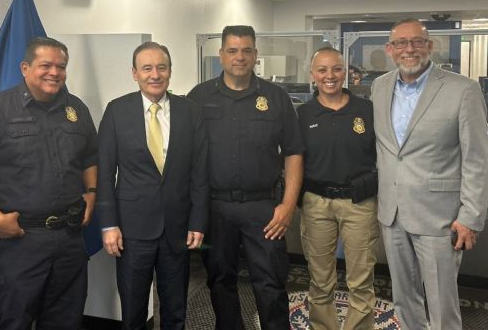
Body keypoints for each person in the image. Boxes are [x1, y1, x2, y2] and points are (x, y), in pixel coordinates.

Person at [0, 37, 98, 329]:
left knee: (66, 319)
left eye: (61, 66)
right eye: (45, 65)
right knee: (15, 320)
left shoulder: (76, 109)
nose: (54, 72)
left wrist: (92, 193)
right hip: (19, 240)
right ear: (25, 68)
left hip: (69, 237)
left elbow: (90, 158)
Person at [371, 19, 488, 330]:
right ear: (390, 49)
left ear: (430, 46)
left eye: (416, 42)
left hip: (439, 216)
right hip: (392, 212)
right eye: (400, 43)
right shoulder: (379, 87)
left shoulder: (463, 89)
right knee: (403, 297)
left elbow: (477, 159)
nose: (409, 49)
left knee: (441, 302)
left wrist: (471, 216)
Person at [187, 25, 303, 330]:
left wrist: (288, 205)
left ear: (255, 54)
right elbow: (186, 155)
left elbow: (293, 152)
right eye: (233, 50)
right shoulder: (198, 97)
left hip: (263, 208)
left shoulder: (276, 97)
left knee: (270, 281)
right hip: (215, 208)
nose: (240, 57)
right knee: (219, 279)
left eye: (247, 50)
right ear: (221, 54)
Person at [96, 42, 209, 330]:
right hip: (132, 231)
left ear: (170, 71)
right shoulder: (116, 111)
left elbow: (199, 173)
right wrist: (108, 225)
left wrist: (198, 221)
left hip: (177, 227)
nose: (155, 74)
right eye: (147, 68)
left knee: (175, 308)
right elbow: (105, 173)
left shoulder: (190, 112)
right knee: (133, 310)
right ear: (135, 73)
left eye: (161, 67)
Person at [297, 48, 378, 330]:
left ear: (346, 72)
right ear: (312, 75)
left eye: (336, 69)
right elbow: (293, 161)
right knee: (320, 279)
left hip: (359, 203)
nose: (329, 76)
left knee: (360, 278)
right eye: (322, 70)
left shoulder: (367, 110)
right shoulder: (303, 114)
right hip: (317, 203)